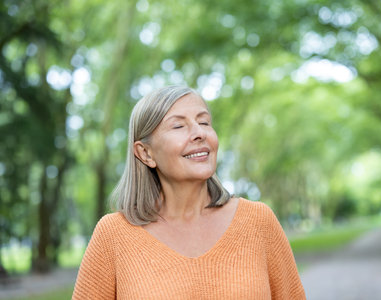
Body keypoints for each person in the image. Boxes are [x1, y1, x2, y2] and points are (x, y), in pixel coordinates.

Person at [72, 85, 306, 299]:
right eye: (178, 126)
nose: (199, 133)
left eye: (204, 122)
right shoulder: (113, 235)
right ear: (145, 153)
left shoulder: (258, 221)